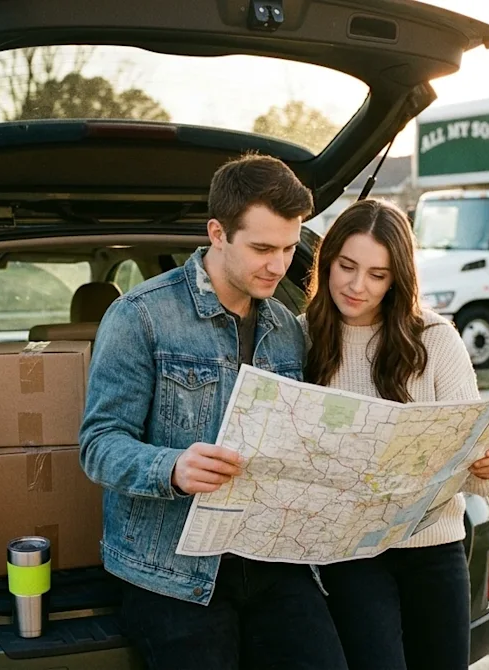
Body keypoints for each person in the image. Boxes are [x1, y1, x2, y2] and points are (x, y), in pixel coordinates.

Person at [79, 154, 348, 670]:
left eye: (290, 248)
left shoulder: (289, 329)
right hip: (169, 572)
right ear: (217, 233)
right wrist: (173, 469)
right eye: (263, 248)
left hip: (272, 559)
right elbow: (98, 444)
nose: (279, 265)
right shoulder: (140, 317)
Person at [300, 198, 489, 670]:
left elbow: (481, 479)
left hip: (434, 550)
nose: (357, 286)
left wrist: (487, 462)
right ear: (327, 259)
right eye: (346, 266)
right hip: (351, 554)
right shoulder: (302, 339)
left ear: (398, 277)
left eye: (377, 274)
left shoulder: (436, 340)